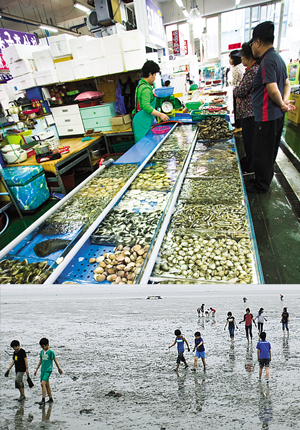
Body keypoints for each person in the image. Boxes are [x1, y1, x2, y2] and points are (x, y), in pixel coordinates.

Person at [246, 21, 296, 194]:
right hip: (276, 115)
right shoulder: (279, 59)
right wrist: (284, 101)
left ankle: (261, 186)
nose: (252, 47)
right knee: (270, 149)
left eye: (252, 43)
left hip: (267, 115)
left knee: (262, 151)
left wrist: (282, 103)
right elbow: (287, 84)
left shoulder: (267, 60)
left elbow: (272, 87)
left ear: (258, 42)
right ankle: (263, 178)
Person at [233, 43, 259, 174]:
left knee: (250, 141)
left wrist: (237, 92)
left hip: (250, 113)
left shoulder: (253, 71)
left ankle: (251, 167)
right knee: (248, 140)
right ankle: (248, 162)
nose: (241, 58)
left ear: (247, 55)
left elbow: (241, 91)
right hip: (248, 112)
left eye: (242, 55)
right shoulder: (251, 69)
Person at [132, 60, 169, 143]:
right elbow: (146, 106)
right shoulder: (145, 88)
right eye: (154, 75)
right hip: (141, 122)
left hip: (144, 120)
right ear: (150, 74)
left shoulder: (142, 84)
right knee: (143, 145)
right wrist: (160, 115)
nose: (155, 78)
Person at [34, 338, 63, 406]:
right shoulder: (41, 352)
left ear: (47, 345)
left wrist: (59, 368)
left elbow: (55, 360)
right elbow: (40, 360)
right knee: (47, 385)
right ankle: (50, 398)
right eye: (41, 346)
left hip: (48, 370)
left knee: (42, 384)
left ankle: (43, 400)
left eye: (43, 346)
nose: (43, 348)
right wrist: (36, 369)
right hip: (42, 370)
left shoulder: (51, 352)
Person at [229, 50, 245, 133]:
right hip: (241, 90)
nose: (230, 61)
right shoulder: (241, 66)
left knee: (237, 108)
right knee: (239, 109)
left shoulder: (236, 68)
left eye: (231, 58)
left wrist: (230, 82)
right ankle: (239, 125)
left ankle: (238, 126)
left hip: (237, 90)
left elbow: (234, 82)